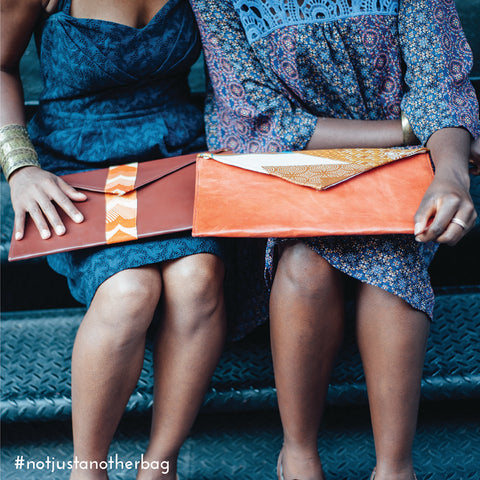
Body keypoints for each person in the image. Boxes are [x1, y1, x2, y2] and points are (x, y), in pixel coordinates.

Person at [188, 0, 479, 479]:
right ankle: (298, 454)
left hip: (396, 180)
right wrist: (410, 130)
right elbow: (261, 122)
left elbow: (439, 83)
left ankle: (394, 468)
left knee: (392, 264)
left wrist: (450, 171)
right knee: (304, 263)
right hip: (286, 177)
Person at [0, 1, 226, 479]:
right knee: (129, 291)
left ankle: (159, 464)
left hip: (175, 158)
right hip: (80, 167)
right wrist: (19, 166)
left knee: (198, 278)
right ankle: (87, 470)